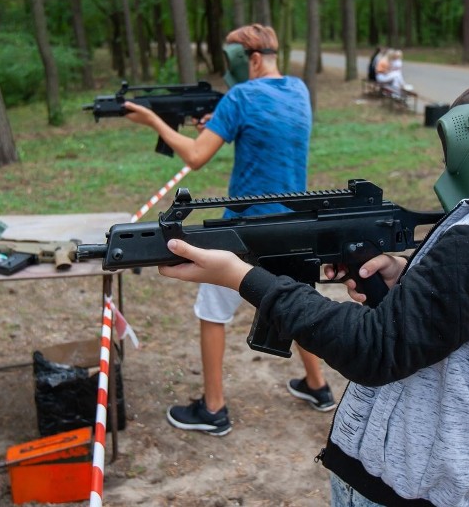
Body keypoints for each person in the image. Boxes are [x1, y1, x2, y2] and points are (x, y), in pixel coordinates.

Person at [155, 70, 469, 505]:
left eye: (467, 151)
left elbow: (374, 351)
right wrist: (405, 281)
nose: (453, 171)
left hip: (407, 486)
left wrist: (245, 278)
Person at [121, 24, 335, 437]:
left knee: (211, 310)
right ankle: (318, 386)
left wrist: (152, 120)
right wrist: (219, 120)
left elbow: (197, 156)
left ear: (252, 60)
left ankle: (214, 409)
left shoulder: (239, 97)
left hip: (248, 228)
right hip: (292, 224)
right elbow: (265, 131)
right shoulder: (298, 90)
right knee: (290, 302)